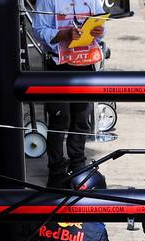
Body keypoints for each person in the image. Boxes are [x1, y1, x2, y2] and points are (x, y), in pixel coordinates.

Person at [31, 0, 107, 187]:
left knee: (81, 117)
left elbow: (100, 22)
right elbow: (38, 30)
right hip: (58, 65)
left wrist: (99, 31)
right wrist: (64, 34)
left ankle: (78, 164)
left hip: (85, 63)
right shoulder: (48, 1)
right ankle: (56, 170)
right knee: (60, 118)